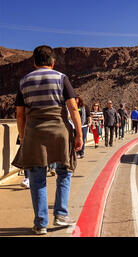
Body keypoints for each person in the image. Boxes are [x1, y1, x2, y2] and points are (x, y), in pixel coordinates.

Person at [12, 45, 82, 235]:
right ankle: (60, 214)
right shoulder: (61, 78)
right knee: (64, 171)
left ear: (34, 62)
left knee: (36, 177)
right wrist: (79, 133)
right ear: (52, 62)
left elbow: (20, 115)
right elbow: (73, 109)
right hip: (60, 132)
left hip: (35, 133)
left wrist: (24, 136)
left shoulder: (24, 81)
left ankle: (41, 223)